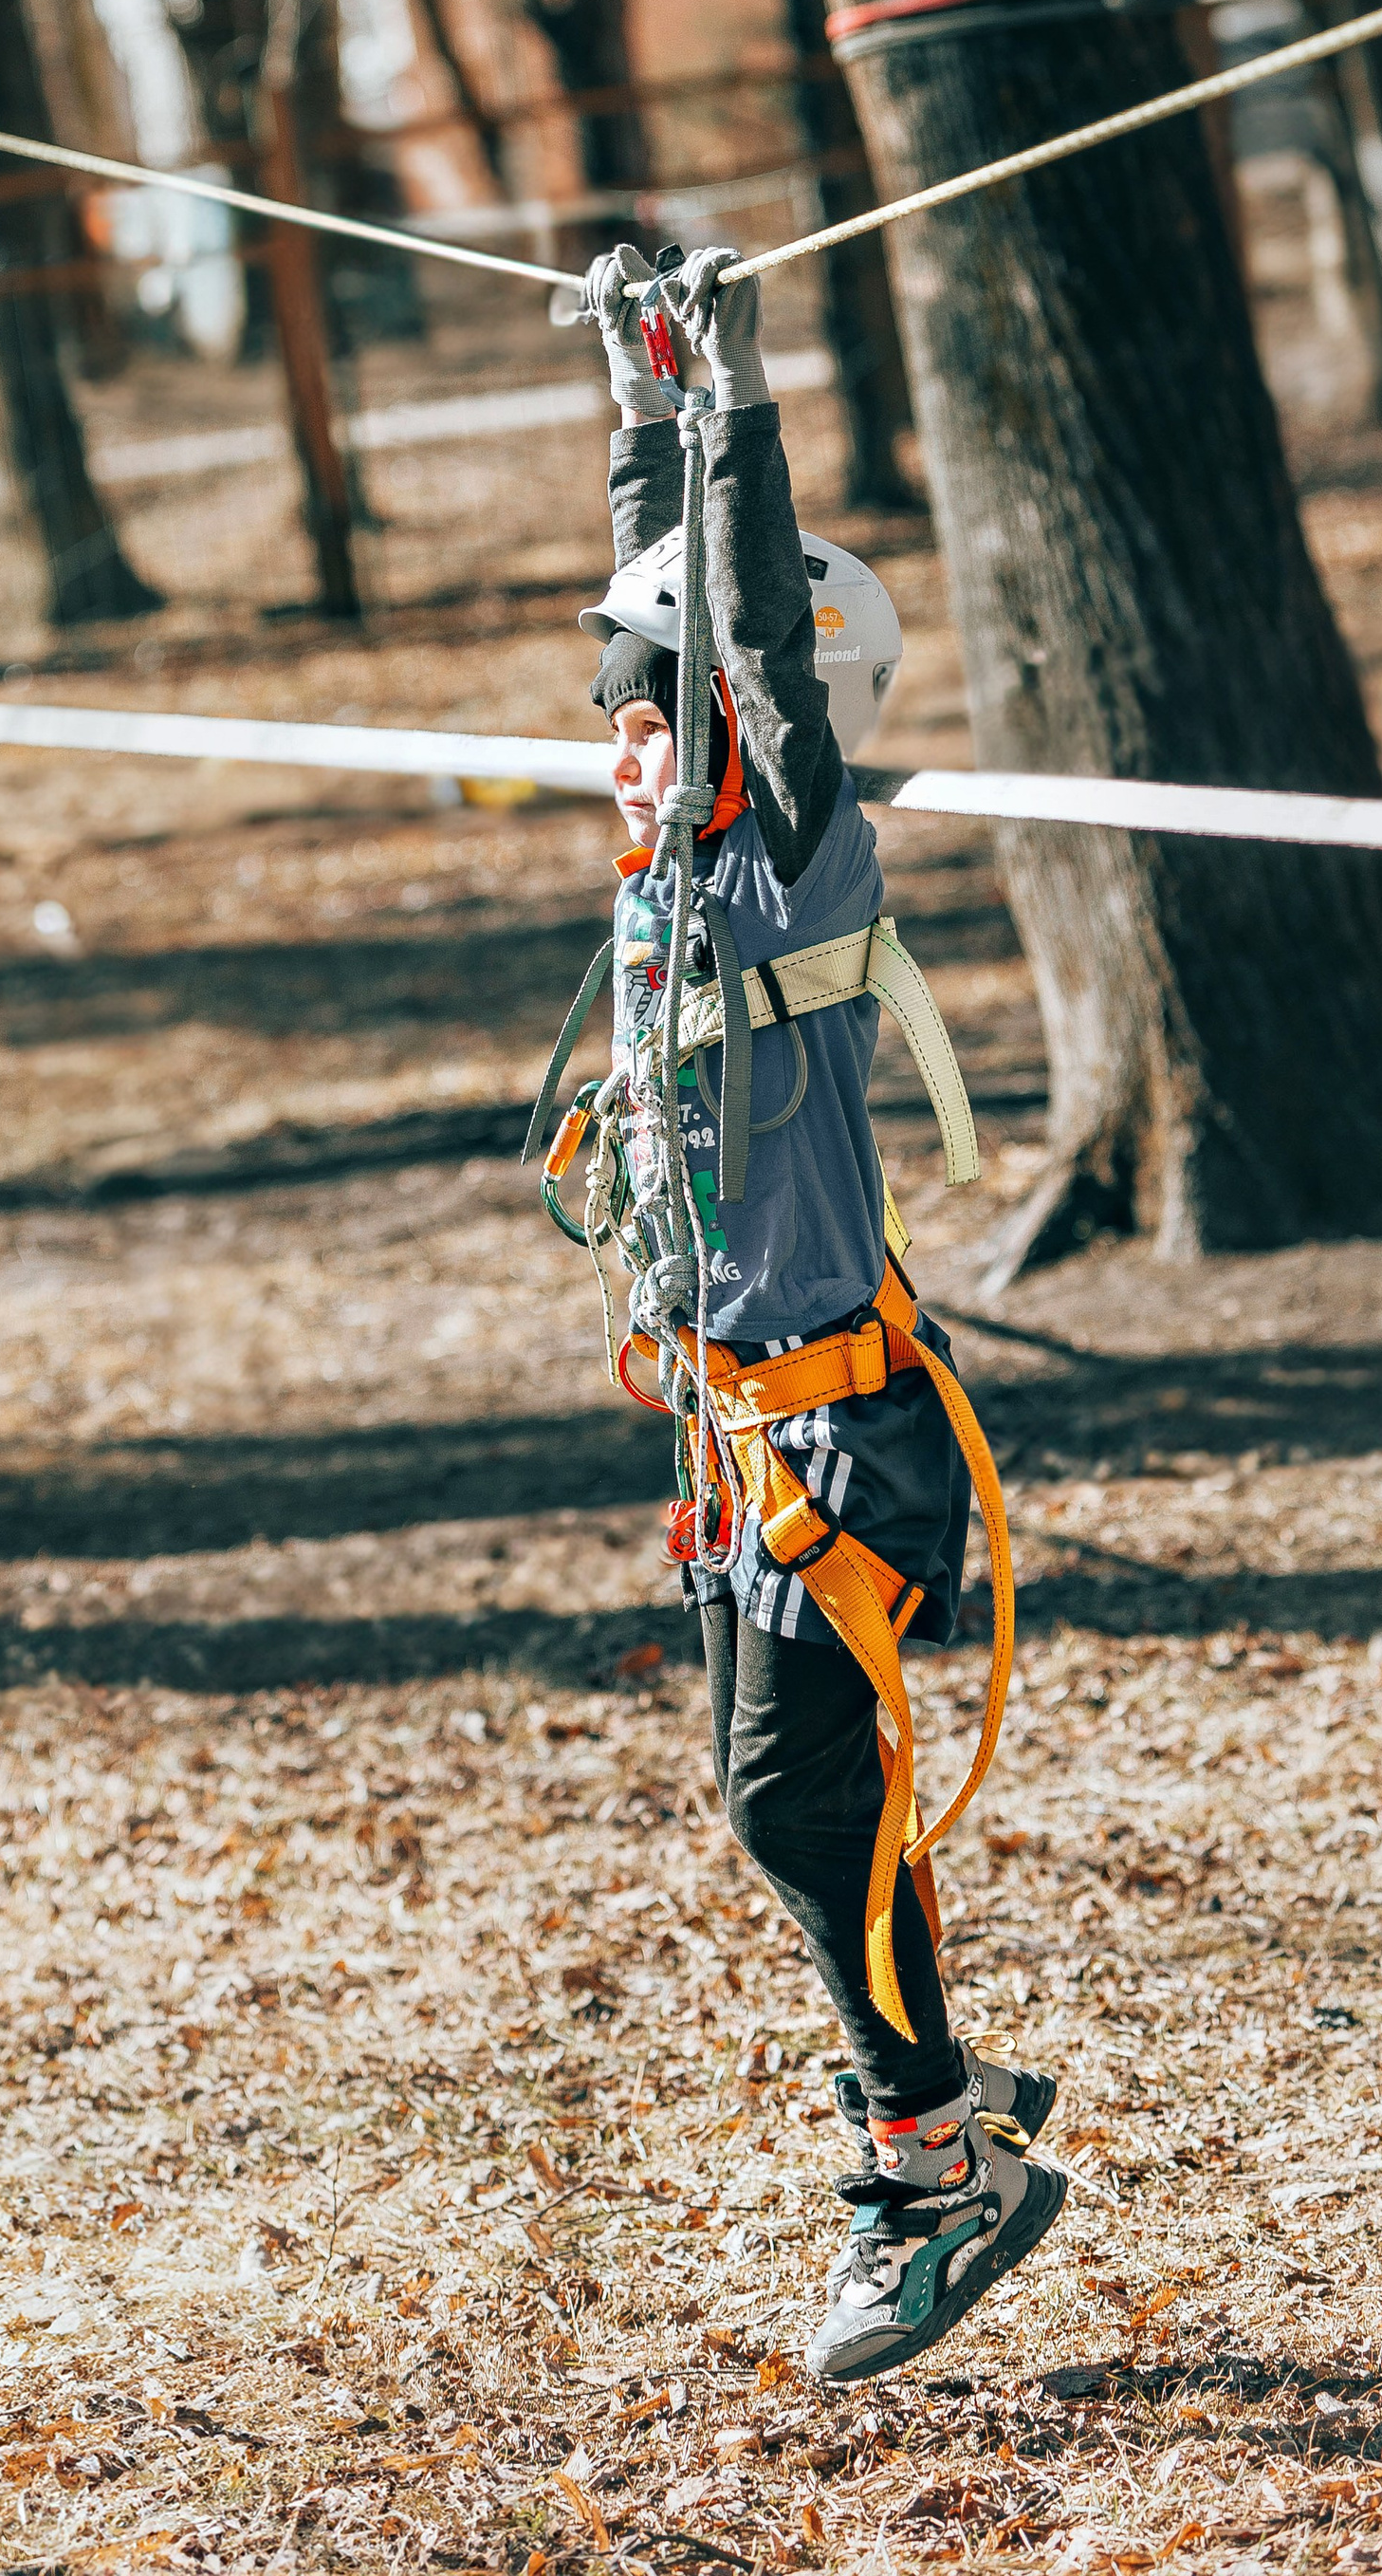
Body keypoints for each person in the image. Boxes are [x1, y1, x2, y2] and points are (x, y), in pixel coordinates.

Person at [549, 242, 1065, 2383]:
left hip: (843, 1429)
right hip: (735, 1425)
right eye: (613, 706)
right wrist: (634, 394)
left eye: (652, 713)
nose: (625, 734)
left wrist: (734, 402)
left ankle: (932, 2163)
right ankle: (936, 2103)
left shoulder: (787, 862)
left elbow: (751, 646)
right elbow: (670, 608)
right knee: (801, 1790)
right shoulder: (668, 871)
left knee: (782, 1798)